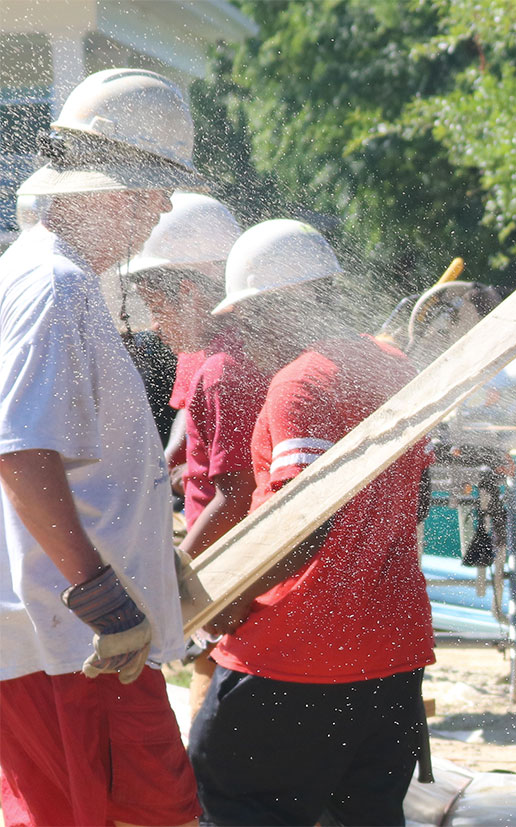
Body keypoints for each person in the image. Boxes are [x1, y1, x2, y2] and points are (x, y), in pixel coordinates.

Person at [0, 68, 207, 827]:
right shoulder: (55, 285)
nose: (162, 211)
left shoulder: (44, 274)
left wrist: (148, 549)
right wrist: (101, 592)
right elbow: (21, 454)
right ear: (119, 190)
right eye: (159, 192)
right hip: (75, 636)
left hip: (65, 629)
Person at [185, 219, 434, 826]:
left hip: (292, 653)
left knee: (231, 806)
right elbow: (419, 496)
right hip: (391, 651)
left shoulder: (301, 381)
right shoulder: (394, 366)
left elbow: (302, 526)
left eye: (247, 318)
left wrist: (226, 603)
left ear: (277, 306)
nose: (245, 337)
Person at [122, 191, 246, 716]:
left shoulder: (228, 365)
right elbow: (188, 420)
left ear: (191, 292)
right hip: (212, 557)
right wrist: (169, 461)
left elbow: (236, 495)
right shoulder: (201, 349)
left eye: (157, 306)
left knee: (215, 714)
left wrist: (176, 577)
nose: (153, 324)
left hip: (228, 564)